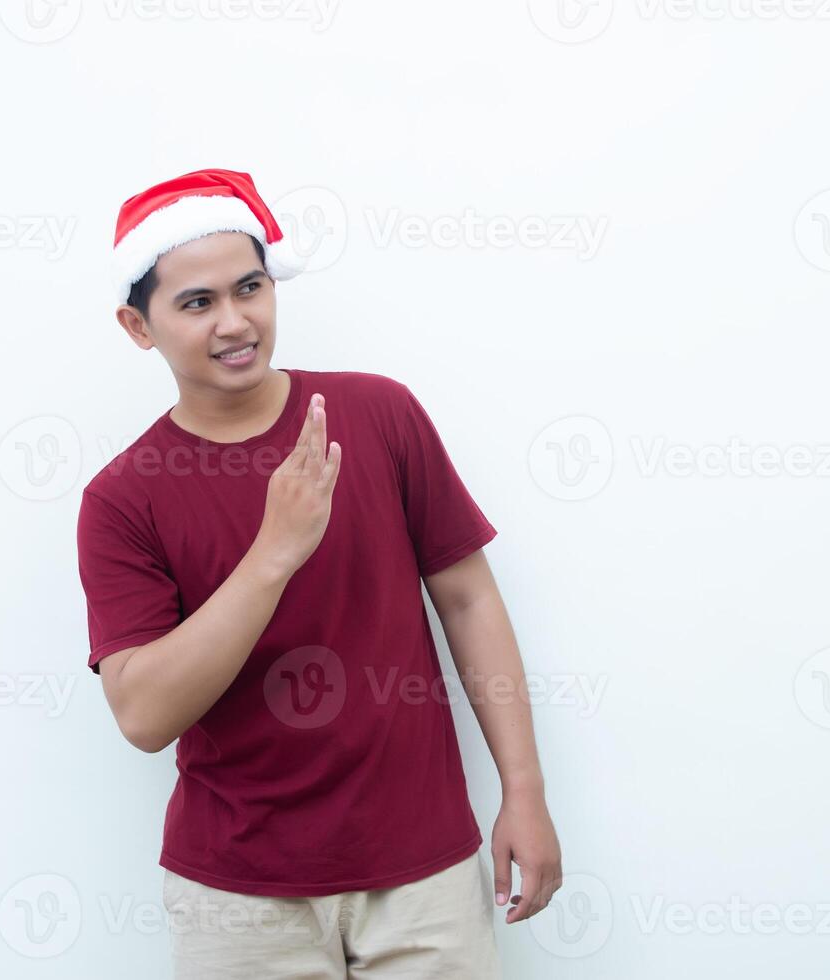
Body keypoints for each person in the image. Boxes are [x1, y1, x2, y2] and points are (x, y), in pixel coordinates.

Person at [76, 168, 562, 978]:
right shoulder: (123, 497)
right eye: (197, 303)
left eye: (250, 288)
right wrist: (274, 553)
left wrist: (525, 792)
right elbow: (144, 715)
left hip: (425, 875)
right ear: (139, 325)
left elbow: (470, 600)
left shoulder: (378, 414)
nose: (235, 323)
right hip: (236, 896)